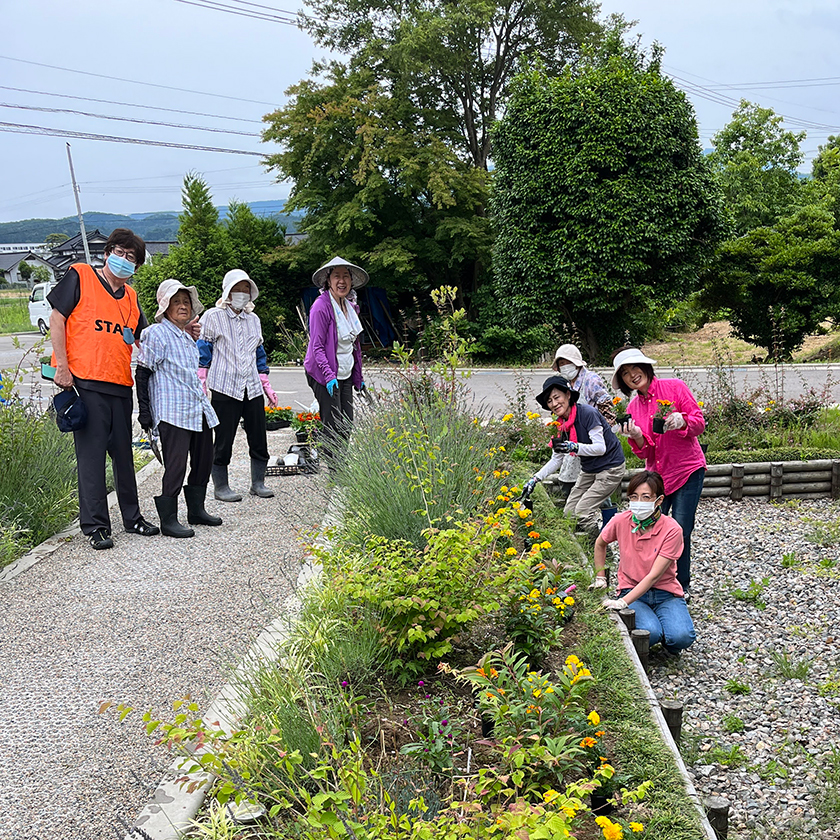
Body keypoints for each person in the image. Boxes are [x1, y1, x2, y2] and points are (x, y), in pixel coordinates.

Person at [48, 228, 160, 550]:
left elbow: (144, 337)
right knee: (92, 458)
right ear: (108, 251)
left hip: (120, 385)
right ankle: (96, 526)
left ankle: (133, 517)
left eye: (132, 258)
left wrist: (182, 330)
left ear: (137, 267)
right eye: (120, 253)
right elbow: (57, 319)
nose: (124, 261)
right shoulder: (81, 276)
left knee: (124, 456)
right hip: (85, 382)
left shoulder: (132, 297)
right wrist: (63, 366)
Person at [611, 347, 706, 593]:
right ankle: (650, 583)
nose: (632, 375)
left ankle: (680, 587)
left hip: (687, 470)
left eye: (635, 368)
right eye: (625, 373)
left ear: (646, 367)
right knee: (650, 528)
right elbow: (646, 453)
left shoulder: (674, 387)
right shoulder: (633, 408)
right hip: (657, 478)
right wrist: (637, 436)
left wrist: (682, 421)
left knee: (681, 530)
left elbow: (699, 423)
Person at [136, 279, 222, 538]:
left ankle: (196, 510)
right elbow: (143, 372)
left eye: (186, 302)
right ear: (165, 307)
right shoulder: (155, 333)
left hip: (197, 407)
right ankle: (169, 519)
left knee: (204, 459)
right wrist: (145, 412)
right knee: (175, 465)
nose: (183, 306)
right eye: (177, 302)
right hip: (172, 410)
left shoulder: (186, 337)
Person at [592, 470, 695, 654]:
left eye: (646, 497)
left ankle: (668, 636)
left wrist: (622, 602)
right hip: (632, 590)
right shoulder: (621, 521)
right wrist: (601, 577)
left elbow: (654, 576)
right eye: (634, 497)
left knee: (682, 637)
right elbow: (600, 543)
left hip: (666, 593)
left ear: (659, 500)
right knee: (650, 633)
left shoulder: (672, 530)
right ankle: (658, 629)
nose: (638, 503)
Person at [197, 269, 278, 501]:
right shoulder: (213, 316)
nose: (242, 293)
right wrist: (202, 381)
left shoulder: (254, 319)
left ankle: (258, 482)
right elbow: (204, 350)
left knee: (258, 436)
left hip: (251, 386)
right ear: (227, 291)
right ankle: (221, 486)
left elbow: (259, 354)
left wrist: (266, 385)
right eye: (237, 288)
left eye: (246, 289)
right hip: (225, 386)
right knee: (223, 438)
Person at [523, 376, 625, 538]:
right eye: (549, 401)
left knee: (583, 512)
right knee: (569, 513)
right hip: (590, 469)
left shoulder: (587, 414)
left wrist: (575, 447)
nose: (554, 404)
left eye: (557, 397)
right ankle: (583, 547)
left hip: (610, 467)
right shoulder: (560, 425)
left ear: (568, 395)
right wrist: (535, 479)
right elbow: (557, 458)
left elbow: (600, 448)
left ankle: (602, 555)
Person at [303, 256, 368, 458]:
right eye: (337, 276)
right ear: (328, 280)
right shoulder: (321, 307)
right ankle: (334, 474)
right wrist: (329, 375)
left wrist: (359, 376)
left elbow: (354, 346)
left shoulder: (351, 307)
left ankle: (340, 467)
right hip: (324, 372)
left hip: (344, 372)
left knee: (347, 423)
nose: (342, 281)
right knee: (332, 423)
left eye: (346, 276)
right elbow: (317, 347)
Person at [550, 343, 617, 497]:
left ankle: (606, 519)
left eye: (568, 362)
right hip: (575, 439)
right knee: (572, 481)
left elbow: (606, 407)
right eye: (561, 364)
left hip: (593, 438)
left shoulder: (591, 380)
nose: (565, 367)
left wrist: (604, 436)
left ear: (577, 363)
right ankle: (574, 516)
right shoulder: (565, 383)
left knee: (597, 489)